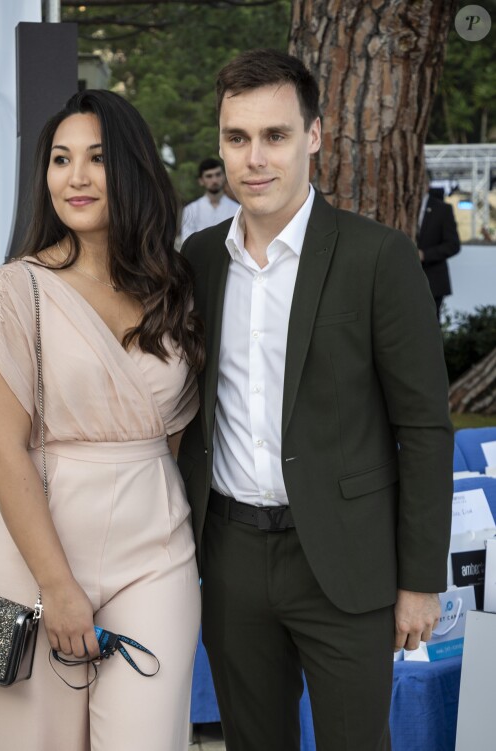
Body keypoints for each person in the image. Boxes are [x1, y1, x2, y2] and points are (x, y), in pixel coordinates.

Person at [178, 49, 453, 751]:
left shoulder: (378, 257)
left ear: (315, 136)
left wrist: (421, 581)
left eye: (275, 135)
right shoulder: (198, 262)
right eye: (237, 138)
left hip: (347, 560)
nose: (254, 158)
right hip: (233, 555)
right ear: (220, 144)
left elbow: (423, 426)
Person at [0, 89, 204, 751]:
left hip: (156, 554)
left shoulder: (172, 287)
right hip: (31, 560)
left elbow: (174, 436)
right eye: (61, 158)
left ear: (131, 169)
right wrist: (58, 586)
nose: (76, 176)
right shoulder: (14, 289)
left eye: (96, 158)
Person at [417, 172, 461, 319]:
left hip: (433, 281)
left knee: (429, 326)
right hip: (404, 281)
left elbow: (453, 245)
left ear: (426, 185)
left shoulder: (442, 210)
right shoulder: (401, 205)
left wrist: (425, 255)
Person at [179, 157, 239, 243]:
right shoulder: (190, 210)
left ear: (224, 177)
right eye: (209, 176)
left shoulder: (237, 209)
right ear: (201, 181)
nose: (214, 180)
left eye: (218, 174)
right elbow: (187, 242)